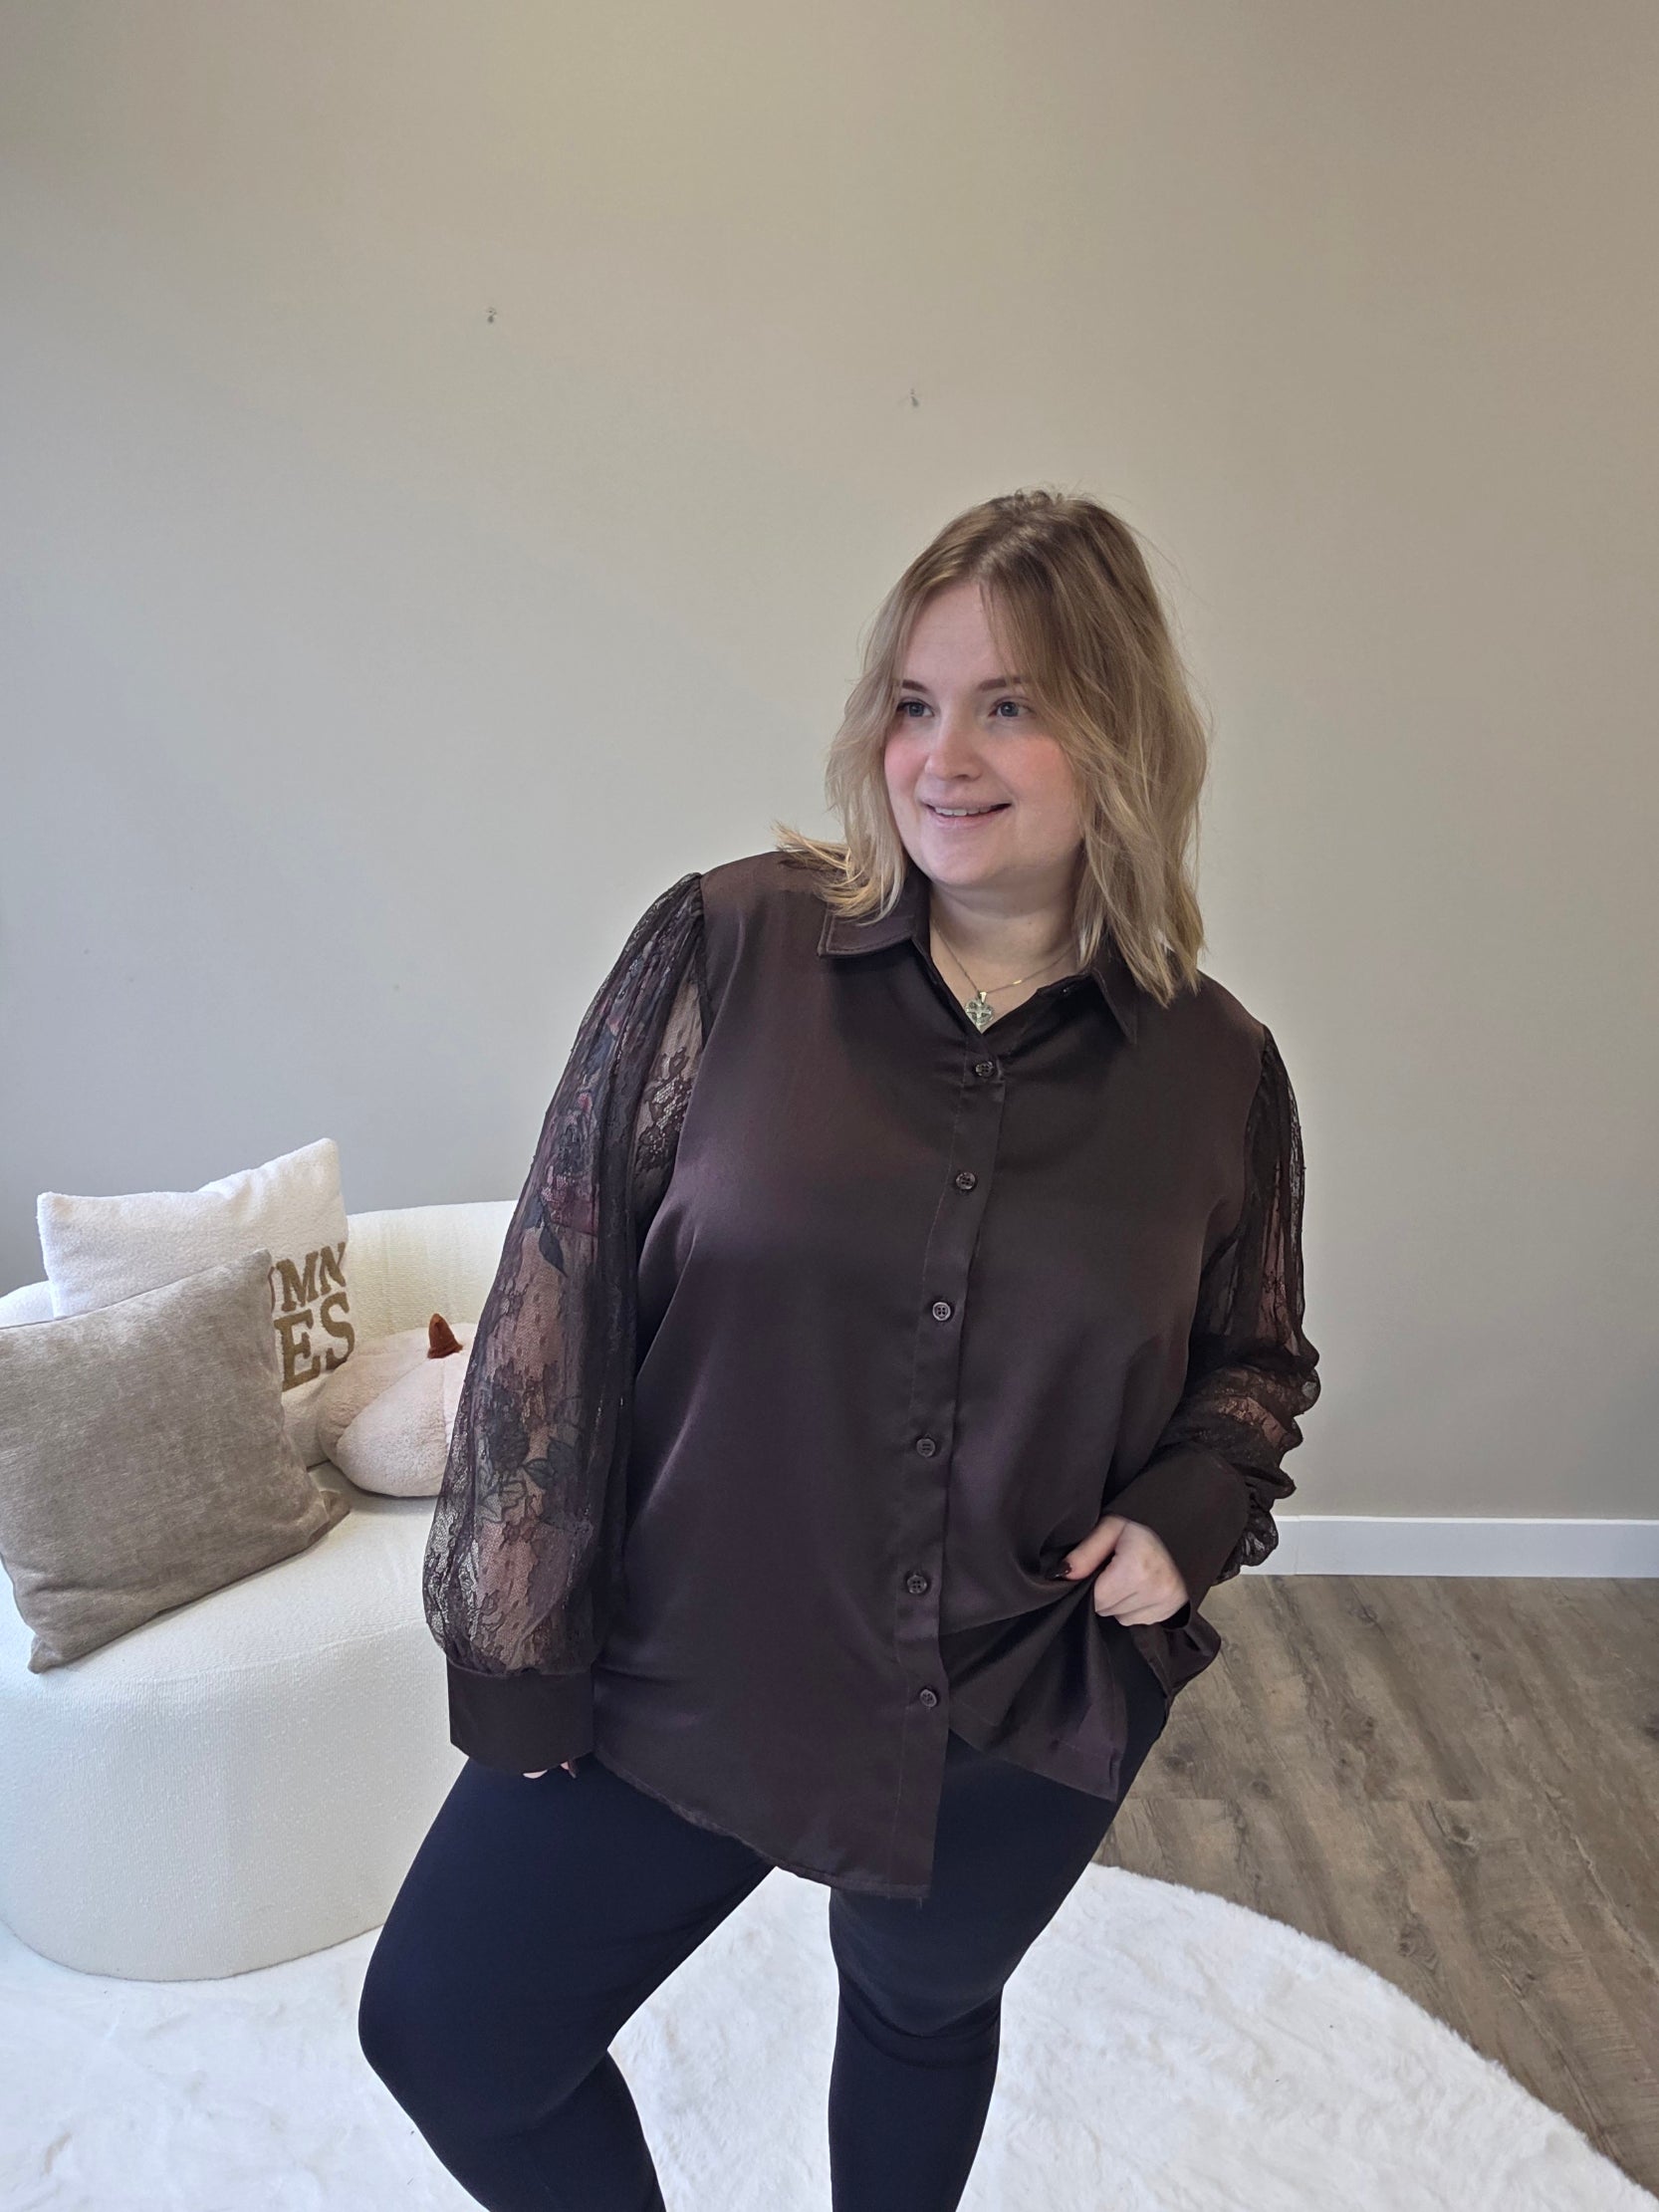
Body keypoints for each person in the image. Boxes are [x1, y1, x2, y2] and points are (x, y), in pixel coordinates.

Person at [357, 487, 1322, 2211]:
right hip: (687, 1660)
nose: (941, 756)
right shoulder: (726, 951)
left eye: (1009, 704)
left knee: (918, 2008)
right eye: (912, 701)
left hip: (1004, 1697)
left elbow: (1253, 1357)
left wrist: (1187, 1507)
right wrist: (523, 1644)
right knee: (451, 2032)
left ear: (1120, 733)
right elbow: (560, 1294)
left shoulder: (1217, 1070)